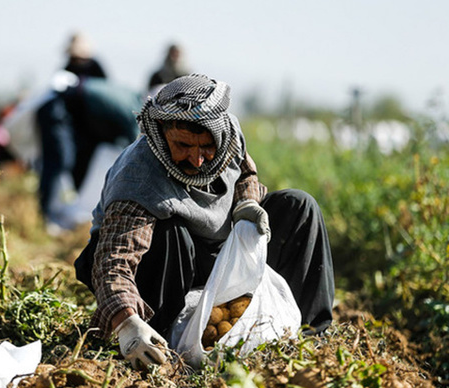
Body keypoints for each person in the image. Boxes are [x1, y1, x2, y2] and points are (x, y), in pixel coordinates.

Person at [74, 74, 335, 369]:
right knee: (172, 232)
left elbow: (245, 174)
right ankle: (161, 343)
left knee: (299, 206)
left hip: (214, 248)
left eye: (206, 147)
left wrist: (246, 204)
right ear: (161, 131)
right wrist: (126, 323)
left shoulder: (227, 134)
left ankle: (309, 338)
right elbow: (113, 264)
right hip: (160, 259)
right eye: (183, 145)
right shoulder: (138, 179)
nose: (196, 159)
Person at [35, 74, 143, 233]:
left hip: (77, 115)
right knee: (60, 159)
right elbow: (136, 151)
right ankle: (45, 216)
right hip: (58, 106)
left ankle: (70, 211)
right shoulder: (134, 113)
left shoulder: (131, 99)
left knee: (81, 161)